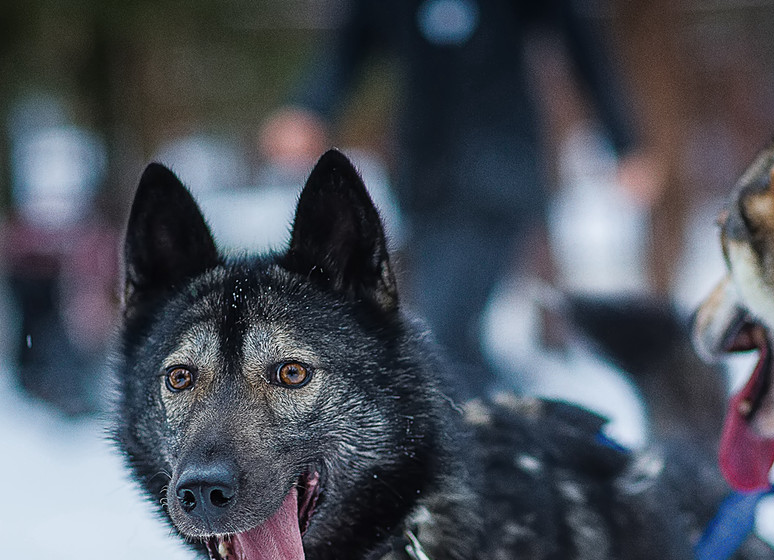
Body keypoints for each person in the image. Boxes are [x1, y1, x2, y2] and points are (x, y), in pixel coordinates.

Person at [260, 0, 661, 398]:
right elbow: (347, 51)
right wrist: (308, 108)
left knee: (443, 334)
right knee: (446, 336)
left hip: (500, 177)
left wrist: (626, 144)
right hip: (426, 185)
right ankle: (512, 413)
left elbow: (582, 46)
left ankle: (503, 425)